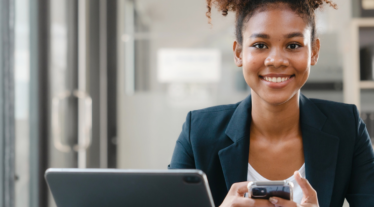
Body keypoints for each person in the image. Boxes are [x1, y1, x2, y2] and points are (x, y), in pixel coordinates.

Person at [168, 0, 374, 206]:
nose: (276, 60)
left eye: (293, 45)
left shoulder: (347, 126)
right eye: (260, 45)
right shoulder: (198, 132)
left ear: (314, 51)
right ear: (239, 52)